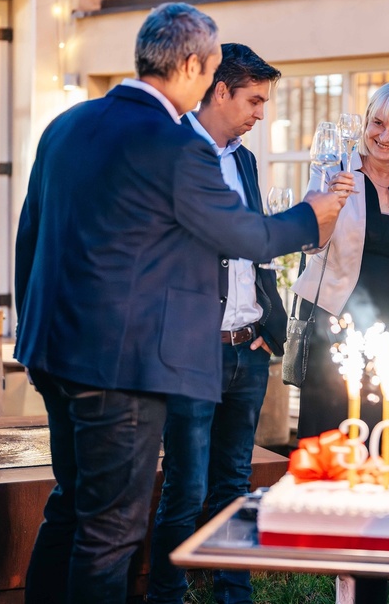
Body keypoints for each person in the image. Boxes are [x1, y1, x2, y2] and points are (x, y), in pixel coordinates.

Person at [14, 3, 346, 604]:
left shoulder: (66, 125)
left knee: (70, 505)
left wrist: (30, 334)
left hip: (51, 353)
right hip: (121, 366)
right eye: (212, 67)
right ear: (192, 66)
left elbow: (30, 236)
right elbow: (245, 236)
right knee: (110, 533)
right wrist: (311, 216)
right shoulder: (172, 145)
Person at [291, 82, 389, 604]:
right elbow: (309, 245)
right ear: (365, 122)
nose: (384, 135)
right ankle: (346, 573)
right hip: (334, 333)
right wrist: (327, 199)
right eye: (377, 123)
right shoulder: (336, 173)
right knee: (339, 453)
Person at [147, 44, 286, 604]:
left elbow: (258, 247)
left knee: (234, 485)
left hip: (246, 351)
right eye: (254, 100)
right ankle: (166, 597)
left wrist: (271, 324)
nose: (260, 113)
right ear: (221, 91)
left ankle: (235, 596)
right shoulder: (170, 153)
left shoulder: (246, 161)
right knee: (185, 488)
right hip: (191, 354)